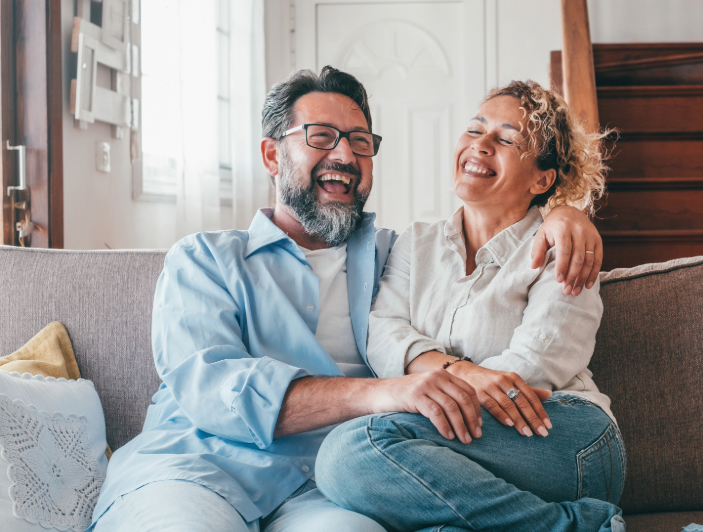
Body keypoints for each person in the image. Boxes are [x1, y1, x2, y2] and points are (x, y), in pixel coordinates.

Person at [88, 67, 605, 532]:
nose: (344, 155)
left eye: (360, 142)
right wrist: (385, 394)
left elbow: (501, 237)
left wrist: (565, 215)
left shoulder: (394, 254)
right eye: (321, 137)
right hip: (195, 471)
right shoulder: (203, 260)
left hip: (323, 490)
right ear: (272, 154)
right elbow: (214, 389)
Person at [315, 80, 626, 532]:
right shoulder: (416, 242)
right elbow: (383, 331)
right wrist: (459, 373)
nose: (479, 145)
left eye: (505, 139)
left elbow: (531, 369)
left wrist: (435, 383)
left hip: (564, 433)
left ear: (542, 179)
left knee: (350, 450)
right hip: (465, 445)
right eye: (474, 130)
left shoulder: (563, 246)